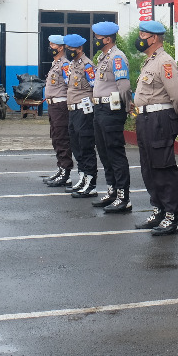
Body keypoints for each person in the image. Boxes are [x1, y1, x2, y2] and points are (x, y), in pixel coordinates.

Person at [131, 21, 178, 236]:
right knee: (148, 167)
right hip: (145, 119)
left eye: (142, 35)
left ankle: (172, 216)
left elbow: (177, 96)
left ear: (154, 38)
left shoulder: (165, 61)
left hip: (159, 120)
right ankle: (159, 210)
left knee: (163, 168)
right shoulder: (150, 61)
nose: (139, 39)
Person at [91, 21, 133, 213]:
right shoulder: (103, 57)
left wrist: (127, 106)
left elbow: (124, 86)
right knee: (104, 152)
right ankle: (112, 191)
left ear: (108, 39)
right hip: (100, 109)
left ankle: (123, 197)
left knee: (115, 153)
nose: (96, 41)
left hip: (111, 109)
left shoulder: (117, 57)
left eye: (98, 38)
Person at [64, 34, 99, 198]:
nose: (68, 51)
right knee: (76, 146)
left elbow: (95, 86)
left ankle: (91, 183)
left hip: (84, 111)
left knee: (86, 146)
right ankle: (82, 177)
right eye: (67, 48)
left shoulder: (87, 66)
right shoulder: (72, 64)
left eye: (71, 48)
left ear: (79, 48)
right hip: (73, 110)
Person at [43, 35, 75, 187]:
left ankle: (66, 173)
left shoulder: (65, 65)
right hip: (53, 106)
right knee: (56, 138)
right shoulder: (55, 63)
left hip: (61, 106)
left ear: (61, 47)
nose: (50, 47)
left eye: (52, 45)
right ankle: (61, 168)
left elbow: (71, 86)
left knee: (62, 139)